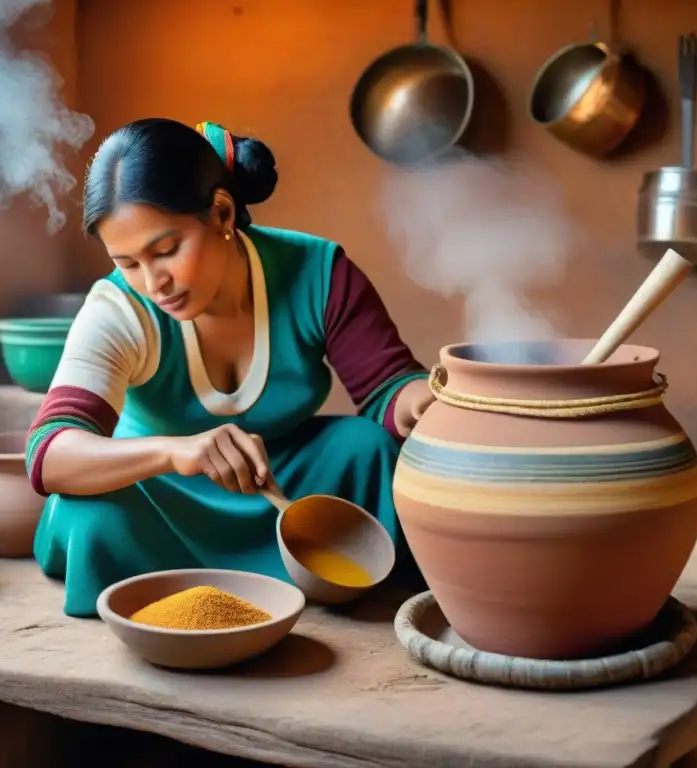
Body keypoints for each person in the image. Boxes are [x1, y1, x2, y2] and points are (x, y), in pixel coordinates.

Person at [26, 118, 434, 616]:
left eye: (167, 250)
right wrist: (176, 452)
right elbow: (48, 453)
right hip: (163, 494)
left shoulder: (317, 272)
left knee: (364, 447)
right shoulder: (118, 308)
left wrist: (424, 401)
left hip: (282, 483)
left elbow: (388, 388)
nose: (154, 282)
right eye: (128, 262)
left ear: (221, 213)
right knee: (91, 514)